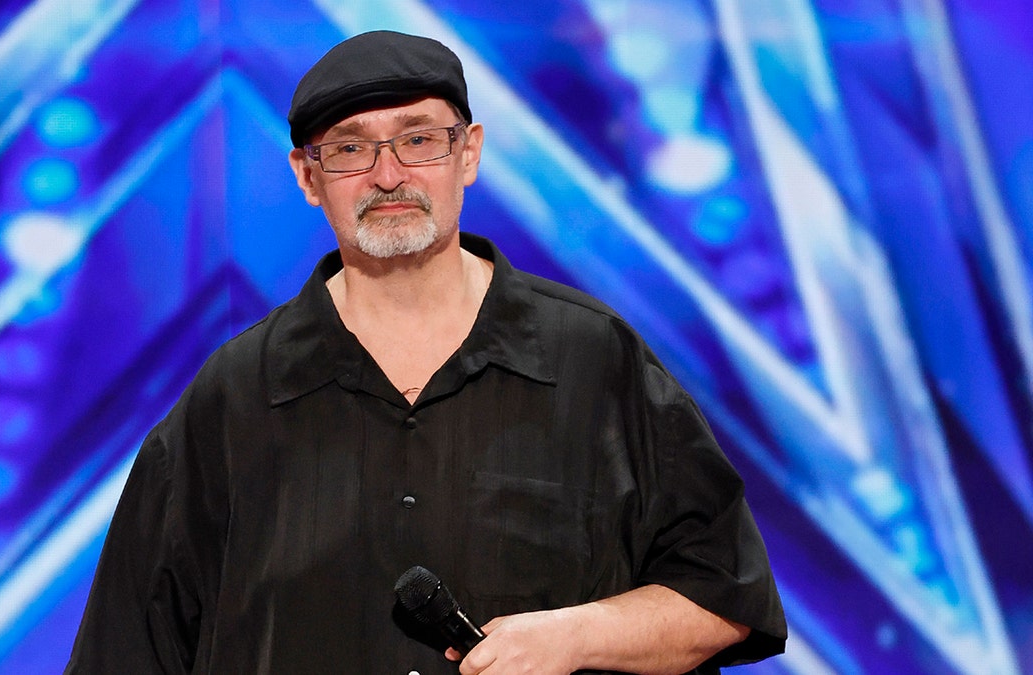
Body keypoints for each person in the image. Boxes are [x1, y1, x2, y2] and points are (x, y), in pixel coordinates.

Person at [66, 30, 787, 674]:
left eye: (418, 139)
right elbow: (125, 649)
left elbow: (725, 596)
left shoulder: (594, 359)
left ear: (467, 153)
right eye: (350, 148)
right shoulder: (232, 399)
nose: (388, 175)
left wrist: (579, 635)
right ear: (307, 177)